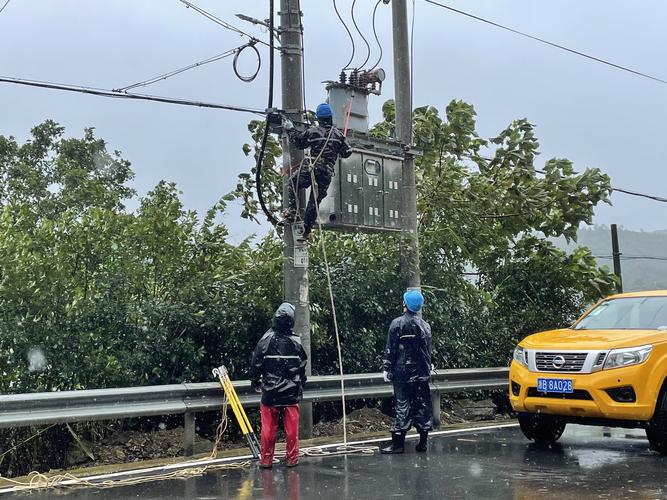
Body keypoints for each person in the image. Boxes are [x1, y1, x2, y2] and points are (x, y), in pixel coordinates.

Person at [282, 102, 353, 240]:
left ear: (319, 119)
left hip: (311, 168)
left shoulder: (313, 131)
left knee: (293, 182)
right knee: (314, 202)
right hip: (325, 172)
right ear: (331, 117)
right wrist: (341, 141)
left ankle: (291, 211)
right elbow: (347, 152)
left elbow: (298, 142)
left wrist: (290, 129)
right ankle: (307, 230)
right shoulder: (338, 135)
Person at [250, 302, 308, 468]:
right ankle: (292, 458)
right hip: (291, 392)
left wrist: (255, 381)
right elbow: (302, 366)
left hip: (271, 391)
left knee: (268, 429)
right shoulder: (296, 342)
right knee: (291, 430)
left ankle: (266, 460)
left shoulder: (265, 340)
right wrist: (300, 383)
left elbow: (256, 363)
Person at [380, 289, 433, 454]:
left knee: (403, 405)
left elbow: (391, 349)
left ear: (405, 303)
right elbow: (428, 351)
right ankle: (422, 442)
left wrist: (387, 368)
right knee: (422, 405)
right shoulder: (425, 326)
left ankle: (398, 444)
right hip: (422, 372)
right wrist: (428, 367)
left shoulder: (397, 323)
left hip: (402, 372)